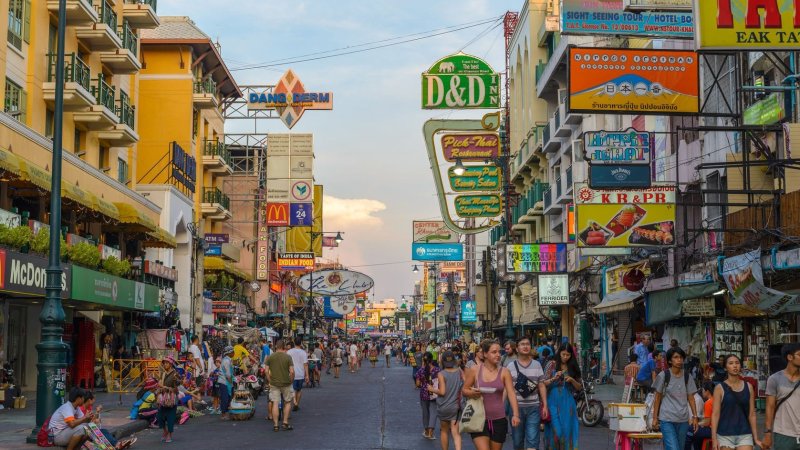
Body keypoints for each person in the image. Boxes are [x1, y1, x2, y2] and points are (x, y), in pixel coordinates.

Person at [462, 339, 521, 450]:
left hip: (499, 419)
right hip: (478, 418)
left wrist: (516, 415)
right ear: (485, 354)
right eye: (494, 352)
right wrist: (472, 393)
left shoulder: (504, 372)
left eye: (499, 352)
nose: (498, 355)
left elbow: (511, 393)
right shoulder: (475, 370)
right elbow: (464, 390)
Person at [651, 347, 699, 450]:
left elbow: (691, 397)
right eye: (676, 357)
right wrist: (655, 418)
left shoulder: (687, 376)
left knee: (680, 448)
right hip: (667, 419)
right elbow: (657, 397)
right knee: (673, 448)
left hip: (683, 419)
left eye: (681, 357)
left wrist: (695, 416)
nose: (679, 360)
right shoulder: (663, 375)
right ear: (669, 360)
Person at [507, 336, 548, 450]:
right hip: (516, 409)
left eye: (527, 344)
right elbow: (507, 389)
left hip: (533, 407)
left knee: (533, 440)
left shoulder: (537, 365)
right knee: (517, 441)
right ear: (517, 348)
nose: (525, 346)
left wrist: (545, 404)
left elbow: (541, 385)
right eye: (522, 344)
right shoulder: (510, 367)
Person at [711, 354, 760, 450]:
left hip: (745, 434)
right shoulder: (719, 388)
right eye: (731, 363)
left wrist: (756, 438)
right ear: (725, 368)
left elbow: (752, 414)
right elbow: (715, 414)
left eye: (737, 363)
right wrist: (714, 438)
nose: (735, 365)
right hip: (724, 435)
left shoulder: (749, 387)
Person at [542, 343, 582, 450]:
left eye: (568, 355)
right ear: (559, 352)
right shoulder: (551, 364)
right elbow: (542, 383)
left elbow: (579, 387)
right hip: (552, 401)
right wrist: (554, 378)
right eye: (563, 354)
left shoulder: (573, 366)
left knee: (567, 431)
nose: (565, 357)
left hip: (568, 402)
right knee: (556, 432)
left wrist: (572, 380)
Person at [762, 342, 800, 450]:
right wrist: (768, 433)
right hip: (783, 433)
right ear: (790, 357)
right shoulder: (775, 379)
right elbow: (770, 407)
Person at [429, 351, 464, 450]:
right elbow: (465, 384)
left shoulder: (441, 374)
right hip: (456, 406)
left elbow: (442, 392)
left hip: (443, 406)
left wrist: (432, 389)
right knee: (455, 432)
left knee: (444, 431)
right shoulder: (459, 371)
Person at [265, 339, 295, 432]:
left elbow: (266, 371)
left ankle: (276, 425)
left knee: (275, 403)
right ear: (284, 347)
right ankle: (285, 422)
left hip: (274, 383)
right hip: (286, 383)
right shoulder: (288, 357)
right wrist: (291, 380)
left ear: (276, 346)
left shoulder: (270, 357)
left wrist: (270, 380)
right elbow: (292, 371)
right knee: (288, 401)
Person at [415, 352, 440, 440]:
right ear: (432, 359)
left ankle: (426, 431)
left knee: (425, 413)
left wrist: (422, 384)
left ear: (423, 360)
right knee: (434, 412)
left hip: (424, 394)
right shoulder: (437, 370)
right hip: (434, 393)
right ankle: (431, 432)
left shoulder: (421, 370)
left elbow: (417, 384)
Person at [157, 355, 180, 443]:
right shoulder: (162, 373)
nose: (165, 364)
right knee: (159, 417)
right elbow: (159, 383)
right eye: (164, 363)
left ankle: (169, 434)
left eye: (167, 363)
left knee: (170, 417)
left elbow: (177, 384)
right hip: (162, 397)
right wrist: (161, 386)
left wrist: (175, 382)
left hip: (171, 398)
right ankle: (165, 431)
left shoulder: (175, 373)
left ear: (171, 364)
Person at [688, 381, 715, 450]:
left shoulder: (708, 403)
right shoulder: (716, 400)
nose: (702, 392)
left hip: (712, 430)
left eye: (703, 390)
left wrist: (697, 423)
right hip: (717, 429)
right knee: (696, 432)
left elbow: (707, 422)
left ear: (707, 391)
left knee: (690, 430)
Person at [287, 338, 309, 411]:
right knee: (299, 390)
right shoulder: (303, 352)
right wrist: (307, 375)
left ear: (294, 343)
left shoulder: (289, 352)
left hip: (291, 373)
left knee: (292, 390)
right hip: (300, 374)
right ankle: (297, 404)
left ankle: (294, 402)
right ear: (301, 343)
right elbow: (305, 364)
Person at [218, 346, 235, 421]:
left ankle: (226, 413)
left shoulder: (228, 360)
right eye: (233, 352)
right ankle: (223, 414)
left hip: (227, 381)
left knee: (227, 398)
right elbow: (228, 374)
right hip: (225, 382)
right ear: (230, 353)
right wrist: (231, 382)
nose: (234, 353)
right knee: (225, 398)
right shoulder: (226, 361)